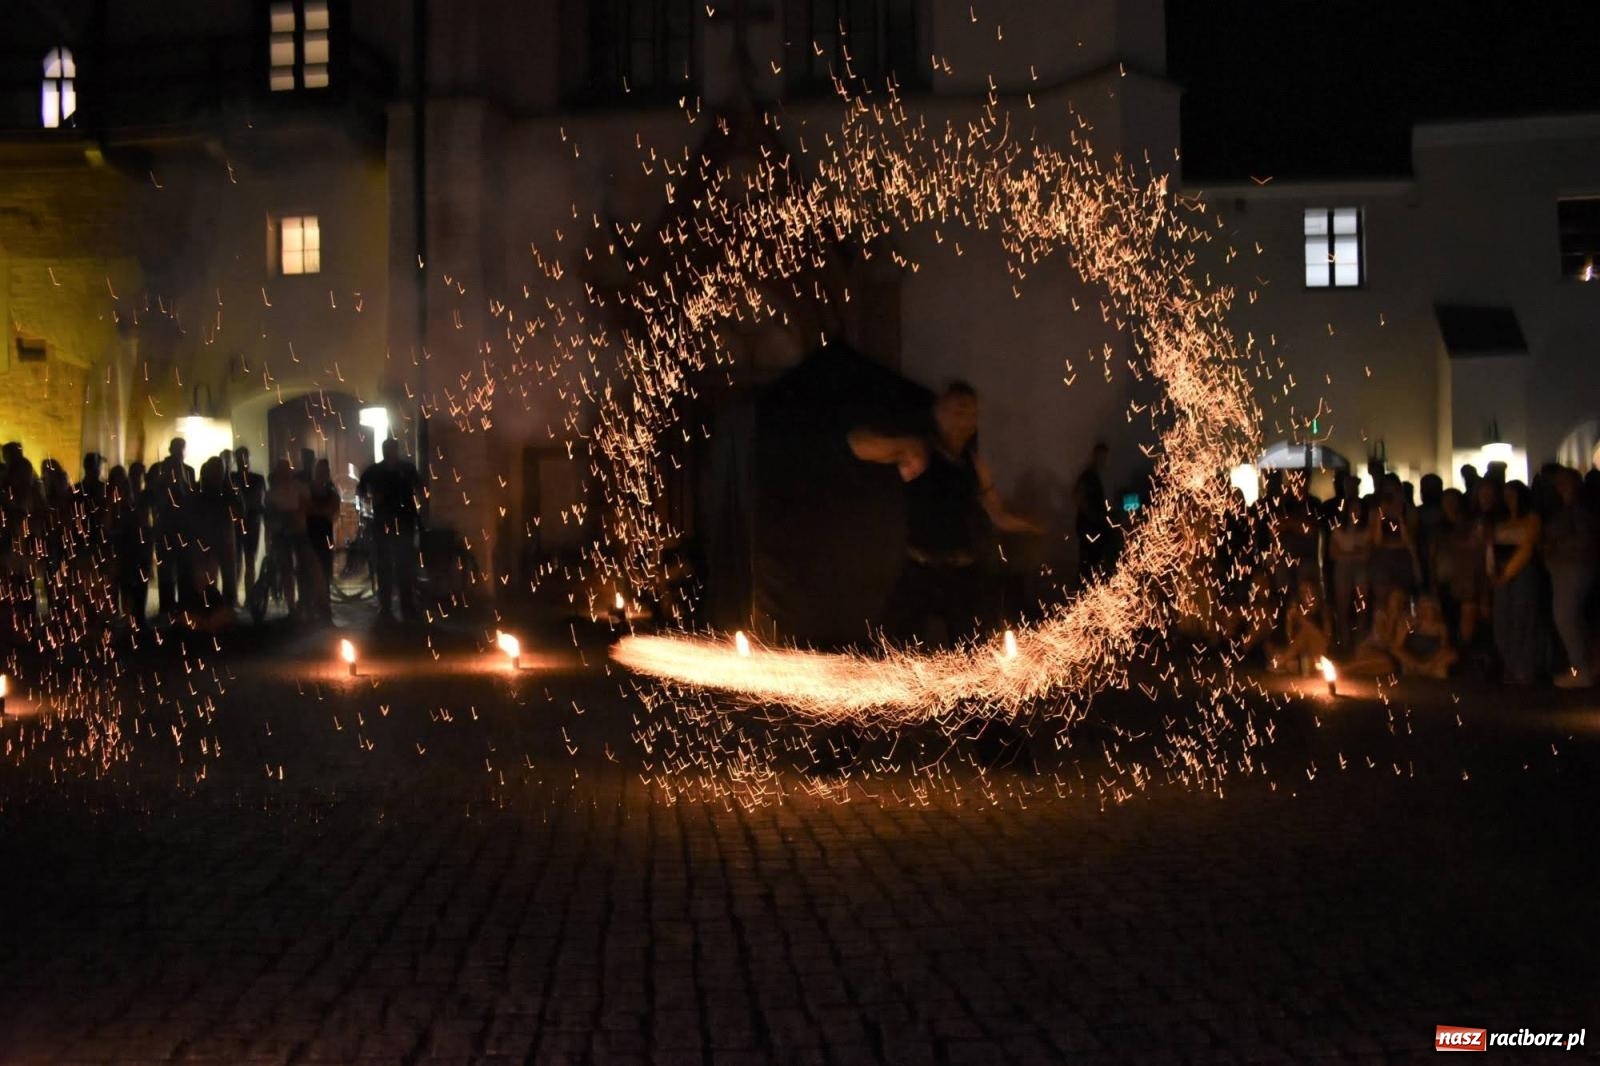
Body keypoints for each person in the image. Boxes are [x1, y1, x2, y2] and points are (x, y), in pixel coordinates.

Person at [847, 381, 1041, 645]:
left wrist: (1031, 525)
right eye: (959, 411)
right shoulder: (919, 451)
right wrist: (903, 444)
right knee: (893, 649)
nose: (966, 419)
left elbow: (998, 515)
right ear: (940, 414)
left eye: (972, 413)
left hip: (961, 573)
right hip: (919, 569)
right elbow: (858, 444)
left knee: (971, 651)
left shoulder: (974, 465)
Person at [357, 438, 423, 622]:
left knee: (403, 566)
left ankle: (404, 605)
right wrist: (368, 504)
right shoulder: (376, 471)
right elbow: (361, 491)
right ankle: (387, 607)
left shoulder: (403, 470)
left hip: (402, 523)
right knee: (386, 566)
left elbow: (420, 488)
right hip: (385, 524)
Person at [1542, 467, 1596, 687]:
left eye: (1564, 483)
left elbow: (1586, 540)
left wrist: (1556, 545)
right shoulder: (1562, 511)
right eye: (1558, 484)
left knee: (1566, 617)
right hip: (1561, 569)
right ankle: (1582, 667)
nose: (1560, 488)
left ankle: (1581, 669)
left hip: (1574, 568)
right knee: (1569, 618)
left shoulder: (1580, 512)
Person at [1490, 480, 1542, 685]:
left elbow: (1527, 547)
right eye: (1506, 495)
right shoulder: (1500, 520)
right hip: (1501, 570)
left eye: (1512, 494)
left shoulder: (1531, 518)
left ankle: (1524, 668)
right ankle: (1510, 664)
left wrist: (1508, 573)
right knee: (1502, 620)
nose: (1508, 499)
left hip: (1522, 572)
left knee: (1523, 618)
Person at [151, 437, 196, 614]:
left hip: (181, 525)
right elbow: (154, 494)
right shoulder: (159, 469)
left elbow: (191, 494)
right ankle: (168, 606)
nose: (179, 452)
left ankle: (181, 605)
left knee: (183, 567)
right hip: (166, 524)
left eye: (181, 449)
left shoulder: (188, 471)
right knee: (167, 569)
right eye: (177, 449)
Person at [264, 458, 312, 619]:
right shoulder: (272, 493)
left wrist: (294, 515)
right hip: (282, 535)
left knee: (302, 570)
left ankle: (302, 603)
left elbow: (306, 507)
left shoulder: (299, 488)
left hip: (298, 533)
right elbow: (269, 517)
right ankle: (292, 605)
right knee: (286, 570)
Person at [1268, 576, 1330, 674]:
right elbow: (1290, 637)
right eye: (1302, 592)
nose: (1305, 594)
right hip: (1302, 651)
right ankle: (1288, 662)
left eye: (1308, 590)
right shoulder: (1297, 609)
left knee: (1307, 631)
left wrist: (1302, 620)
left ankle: (1283, 661)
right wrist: (1289, 621)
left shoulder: (1323, 609)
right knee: (1286, 657)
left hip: (1318, 650)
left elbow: (1326, 637)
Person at [1393, 594, 1458, 679]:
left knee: (1452, 655)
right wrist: (1406, 629)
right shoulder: (1409, 622)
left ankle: (1424, 670)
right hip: (1413, 656)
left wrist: (1431, 661)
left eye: (1428, 608)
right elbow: (1397, 646)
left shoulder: (1440, 626)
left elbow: (1444, 647)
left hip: (1431, 658)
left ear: (1434, 610)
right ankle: (1422, 669)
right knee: (1397, 652)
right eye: (1421, 608)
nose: (1424, 611)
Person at [231, 447, 266, 605]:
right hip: (240, 523)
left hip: (251, 523)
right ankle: (235, 597)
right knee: (237, 561)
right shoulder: (233, 478)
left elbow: (260, 501)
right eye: (239, 457)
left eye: (244, 457)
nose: (242, 461)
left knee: (248, 560)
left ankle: (249, 598)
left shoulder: (257, 479)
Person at [1073, 441, 1112, 582]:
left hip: (1092, 527)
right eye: (1102, 457)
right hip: (1089, 528)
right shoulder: (1089, 476)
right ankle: (1083, 595)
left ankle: (1087, 593)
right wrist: (1092, 517)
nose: (1104, 461)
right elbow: (1077, 495)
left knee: (1093, 564)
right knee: (1089, 565)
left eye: (1105, 457)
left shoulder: (1094, 476)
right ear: (1095, 456)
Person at [307, 458, 340, 620]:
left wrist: (316, 511)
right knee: (311, 572)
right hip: (310, 536)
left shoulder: (330, 490)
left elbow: (332, 511)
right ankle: (313, 606)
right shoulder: (310, 489)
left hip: (324, 536)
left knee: (325, 571)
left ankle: (324, 608)